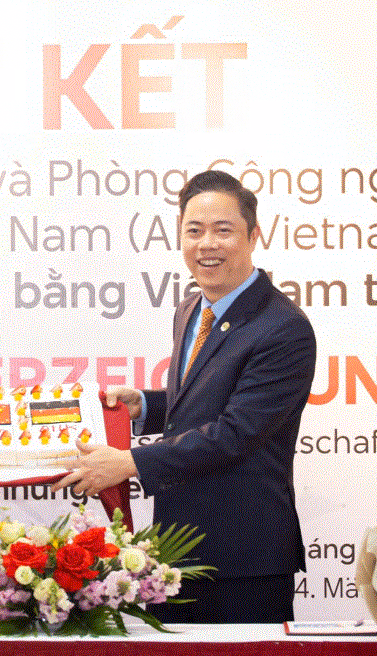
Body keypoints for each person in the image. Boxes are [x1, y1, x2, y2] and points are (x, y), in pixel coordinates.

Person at [53, 170, 316, 624]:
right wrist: (145, 406)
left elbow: (236, 433)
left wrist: (130, 462)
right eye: (194, 231)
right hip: (177, 550)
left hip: (243, 559)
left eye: (223, 230)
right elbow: (203, 401)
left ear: (254, 235)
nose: (206, 244)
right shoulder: (191, 308)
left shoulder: (282, 327)